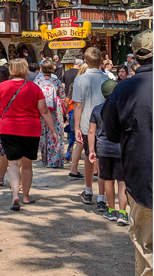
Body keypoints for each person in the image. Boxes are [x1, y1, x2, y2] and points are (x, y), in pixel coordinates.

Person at [103, 30, 153, 276]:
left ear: (134, 56)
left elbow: (111, 131)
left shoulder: (123, 89)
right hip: (141, 172)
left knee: (146, 239)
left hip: (141, 172)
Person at [0, 58, 58, 211]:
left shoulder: (2, 86)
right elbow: (44, 111)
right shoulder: (34, 88)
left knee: (13, 163)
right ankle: (26, 197)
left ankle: (15, 195)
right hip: (30, 129)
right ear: (25, 70)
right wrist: (53, 130)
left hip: (8, 128)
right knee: (27, 165)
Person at [72, 48, 108, 210]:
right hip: (105, 123)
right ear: (101, 61)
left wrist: (76, 127)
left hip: (87, 123)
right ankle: (101, 197)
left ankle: (88, 191)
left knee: (88, 156)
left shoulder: (80, 80)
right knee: (101, 160)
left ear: (85, 61)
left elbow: (78, 106)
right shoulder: (107, 79)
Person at [88, 79, 128, 226]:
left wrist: (92, 150)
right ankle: (123, 213)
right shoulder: (123, 108)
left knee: (108, 179)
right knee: (122, 181)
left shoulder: (97, 109)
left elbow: (92, 131)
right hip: (120, 148)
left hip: (103, 148)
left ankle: (111, 210)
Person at [34, 60, 66, 168]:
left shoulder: (37, 81)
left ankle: (45, 158)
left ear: (41, 68)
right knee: (55, 132)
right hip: (55, 108)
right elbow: (62, 96)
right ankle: (55, 159)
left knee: (44, 134)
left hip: (41, 108)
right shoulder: (56, 81)